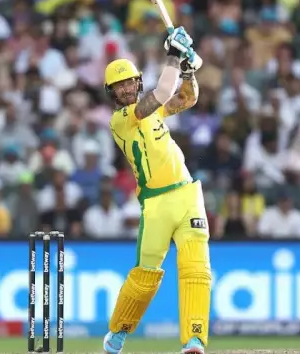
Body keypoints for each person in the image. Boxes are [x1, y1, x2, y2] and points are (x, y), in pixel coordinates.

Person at [102, 27, 207, 354]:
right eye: (119, 86)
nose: (125, 88)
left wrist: (188, 70)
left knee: (196, 268)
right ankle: (119, 331)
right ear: (112, 93)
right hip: (156, 204)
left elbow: (187, 97)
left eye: (129, 82)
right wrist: (174, 55)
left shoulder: (154, 109)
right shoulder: (122, 120)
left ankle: (194, 339)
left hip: (187, 195)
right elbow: (161, 93)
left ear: (137, 82)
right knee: (146, 275)